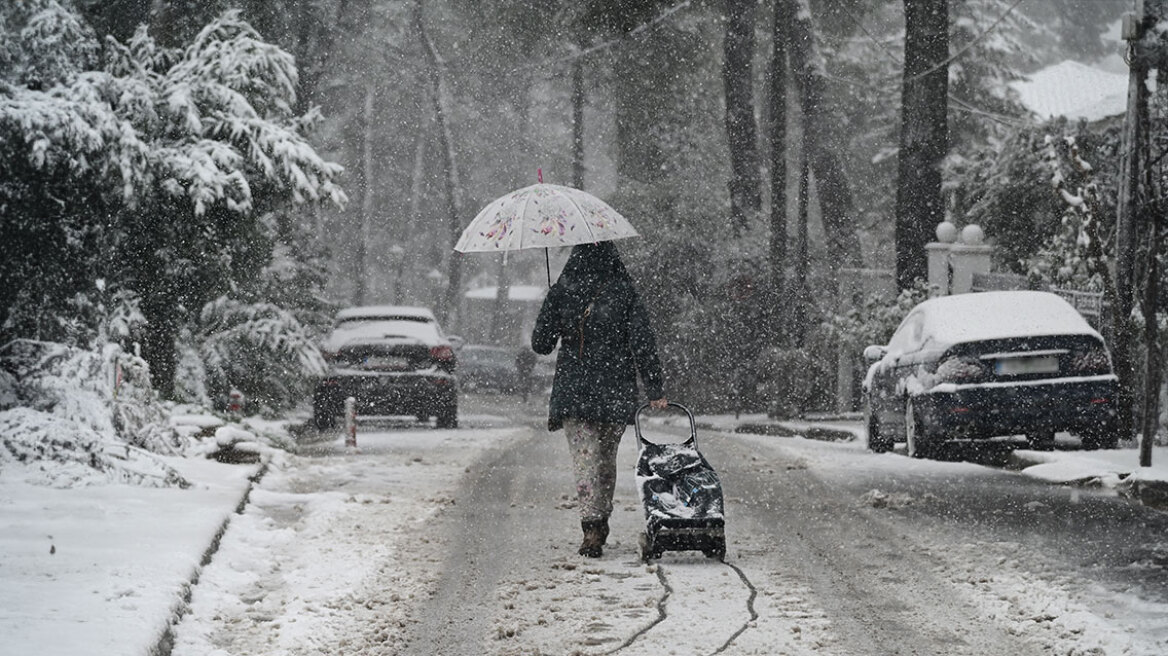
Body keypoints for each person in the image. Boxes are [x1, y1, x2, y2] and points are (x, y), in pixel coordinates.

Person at [531, 241, 667, 558]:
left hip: (574, 391)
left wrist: (553, 305)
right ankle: (600, 519)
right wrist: (655, 387)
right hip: (615, 389)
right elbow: (642, 341)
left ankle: (591, 527)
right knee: (605, 460)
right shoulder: (624, 292)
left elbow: (541, 345)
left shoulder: (563, 290)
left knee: (585, 461)